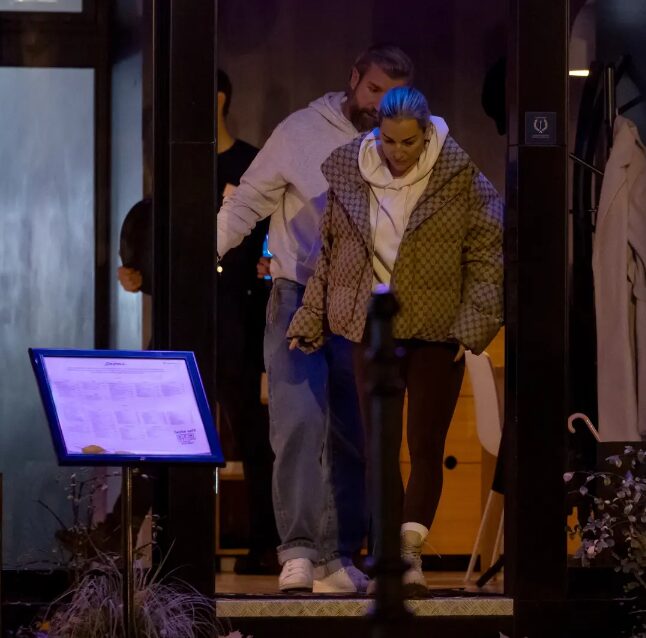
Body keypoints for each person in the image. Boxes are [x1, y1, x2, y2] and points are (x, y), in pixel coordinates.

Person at [287, 86, 504, 595]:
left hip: (438, 329)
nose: (398, 152)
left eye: (409, 142)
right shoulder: (352, 171)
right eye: (389, 141)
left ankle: (409, 556)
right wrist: (309, 317)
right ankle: (387, 556)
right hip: (373, 328)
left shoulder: (460, 176)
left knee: (425, 445)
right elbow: (330, 254)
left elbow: (488, 256)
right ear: (377, 133)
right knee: (378, 448)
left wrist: (470, 328)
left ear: (426, 134)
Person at [216, 45, 415, 593]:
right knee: (299, 424)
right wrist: (200, 256)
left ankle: (337, 555)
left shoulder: (402, 142)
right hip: (296, 294)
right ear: (353, 79)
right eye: (373, 89)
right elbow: (246, 203)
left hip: (361, 301)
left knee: (354, 430)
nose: (380, 103)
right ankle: (299, 551)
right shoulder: (300, 131)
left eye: (393, 95)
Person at [66, 70, 280, 575]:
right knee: (159, 431)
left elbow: (267, 239)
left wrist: (269, 268)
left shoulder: (252, 164)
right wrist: (143, 278)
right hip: (179, 320)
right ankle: (123, 534)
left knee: (251, 435)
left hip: (235, 318)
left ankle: (267, 545)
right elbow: (169, 246)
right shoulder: (176, 163)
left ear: (219, 99)